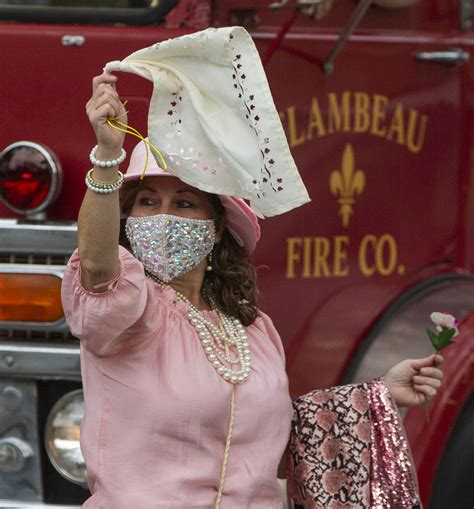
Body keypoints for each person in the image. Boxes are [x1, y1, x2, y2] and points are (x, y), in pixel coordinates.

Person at [61, 72, 444, 509]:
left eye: (184, 202)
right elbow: (95, 264)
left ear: (218, 228)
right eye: (148, 202)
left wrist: (378, 395)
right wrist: (108, 155)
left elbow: (276, 445)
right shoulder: (125, 310)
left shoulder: (252, 328)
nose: (162, 216)